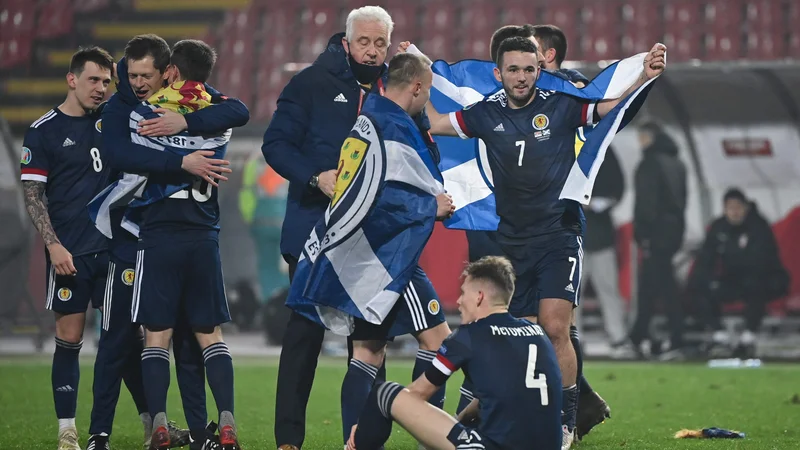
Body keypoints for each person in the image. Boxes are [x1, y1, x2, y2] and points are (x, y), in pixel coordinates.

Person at [424, 36, 666, 449]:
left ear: (540, 69)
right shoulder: (485, 113)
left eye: (529, 69)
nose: (522, 77)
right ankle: (495, 415)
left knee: (555, 328)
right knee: (518, 334)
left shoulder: (560, 105)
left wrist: (643, 77)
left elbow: (607, 110)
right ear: (499, 74)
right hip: (510, 242)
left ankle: (566, 423)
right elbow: (438, 123)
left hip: (558, 234)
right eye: (513, 70)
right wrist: (422, 71)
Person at [261, 6, 448, 449]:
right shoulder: (309, 84)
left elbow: (421, 148)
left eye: (379, 43)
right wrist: (316, 176)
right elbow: (276, 145)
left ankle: (361, 439)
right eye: (363, 42)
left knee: (369, 345)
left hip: (376, 241)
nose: (371, 50)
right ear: (346, 42)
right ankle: (288, 440)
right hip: (316, 233)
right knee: (304, 338)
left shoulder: (395, 87)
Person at [96, 33, 248, 450]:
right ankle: (227, 421)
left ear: (170, 72)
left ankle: (160, 424)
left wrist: (175, 135)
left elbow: (123, 153)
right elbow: (239, 111)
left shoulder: (145, 116)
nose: (139, 83)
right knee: (210, 335)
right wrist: (191, 126)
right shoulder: (218, 121)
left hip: (158, 236)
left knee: (156, 334)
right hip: (203, 235)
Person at [338, 51, 455, 447]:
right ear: (418, 87)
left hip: (361, 254)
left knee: (367, 351)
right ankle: (429, 433)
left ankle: (354, 442)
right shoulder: (391, 126)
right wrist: (429, 206)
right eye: (428, 91)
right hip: (388, 254)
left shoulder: (370, 118)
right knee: (439, 342)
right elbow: (379, 195)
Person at [347, 256, 563, 450]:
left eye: (463, 293)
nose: (459, 302)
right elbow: (507, 394)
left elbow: (416, 395)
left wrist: (365, 424)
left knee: (384, 393)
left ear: (479, 297)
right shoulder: (536, 332)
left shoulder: (467, 336)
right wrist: (457, 421)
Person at [20, 46, 116, 450]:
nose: (101, 89)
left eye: (107, 82)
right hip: (70, 254)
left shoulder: (112, 121)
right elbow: (33, 195)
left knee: (125, 340)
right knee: (69, 337)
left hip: (115, 251)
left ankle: (147, 424)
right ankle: (67, 430)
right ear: (72, 79)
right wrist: (53, 245)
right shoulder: (43, 131)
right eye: (93, 80)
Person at [690, 188, 789, 357]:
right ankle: (719, 335)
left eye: (738, 208)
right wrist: (706, 280)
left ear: (745, 208)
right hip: (733, 280)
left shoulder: (758, 226)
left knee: (757, 286)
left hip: (764, 278)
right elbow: (706, 258)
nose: (734, 212)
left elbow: (763, 261)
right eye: (730, 208)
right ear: (724, 209)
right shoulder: (719, 227)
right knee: (698, 287)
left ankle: (748, 336)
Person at [630, 121, 687, 359]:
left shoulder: (650, 163)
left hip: (655, 234)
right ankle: (656, 336)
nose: (639, 141)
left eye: (642, 137)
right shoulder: (677, 163)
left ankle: (642, 337)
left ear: (650, 137)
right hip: (673, 233)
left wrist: (642, 234)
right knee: (664, 286)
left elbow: (647, 203)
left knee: (652, 288)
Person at [579, 146, 634, 359]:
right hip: (575, 239)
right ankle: (574, 338)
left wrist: (595, 202)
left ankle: (618, 338)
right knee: (573, 295)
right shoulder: (567, 142)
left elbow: (617, 189)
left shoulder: (606, 150)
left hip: (598, 238)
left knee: (607, 291)